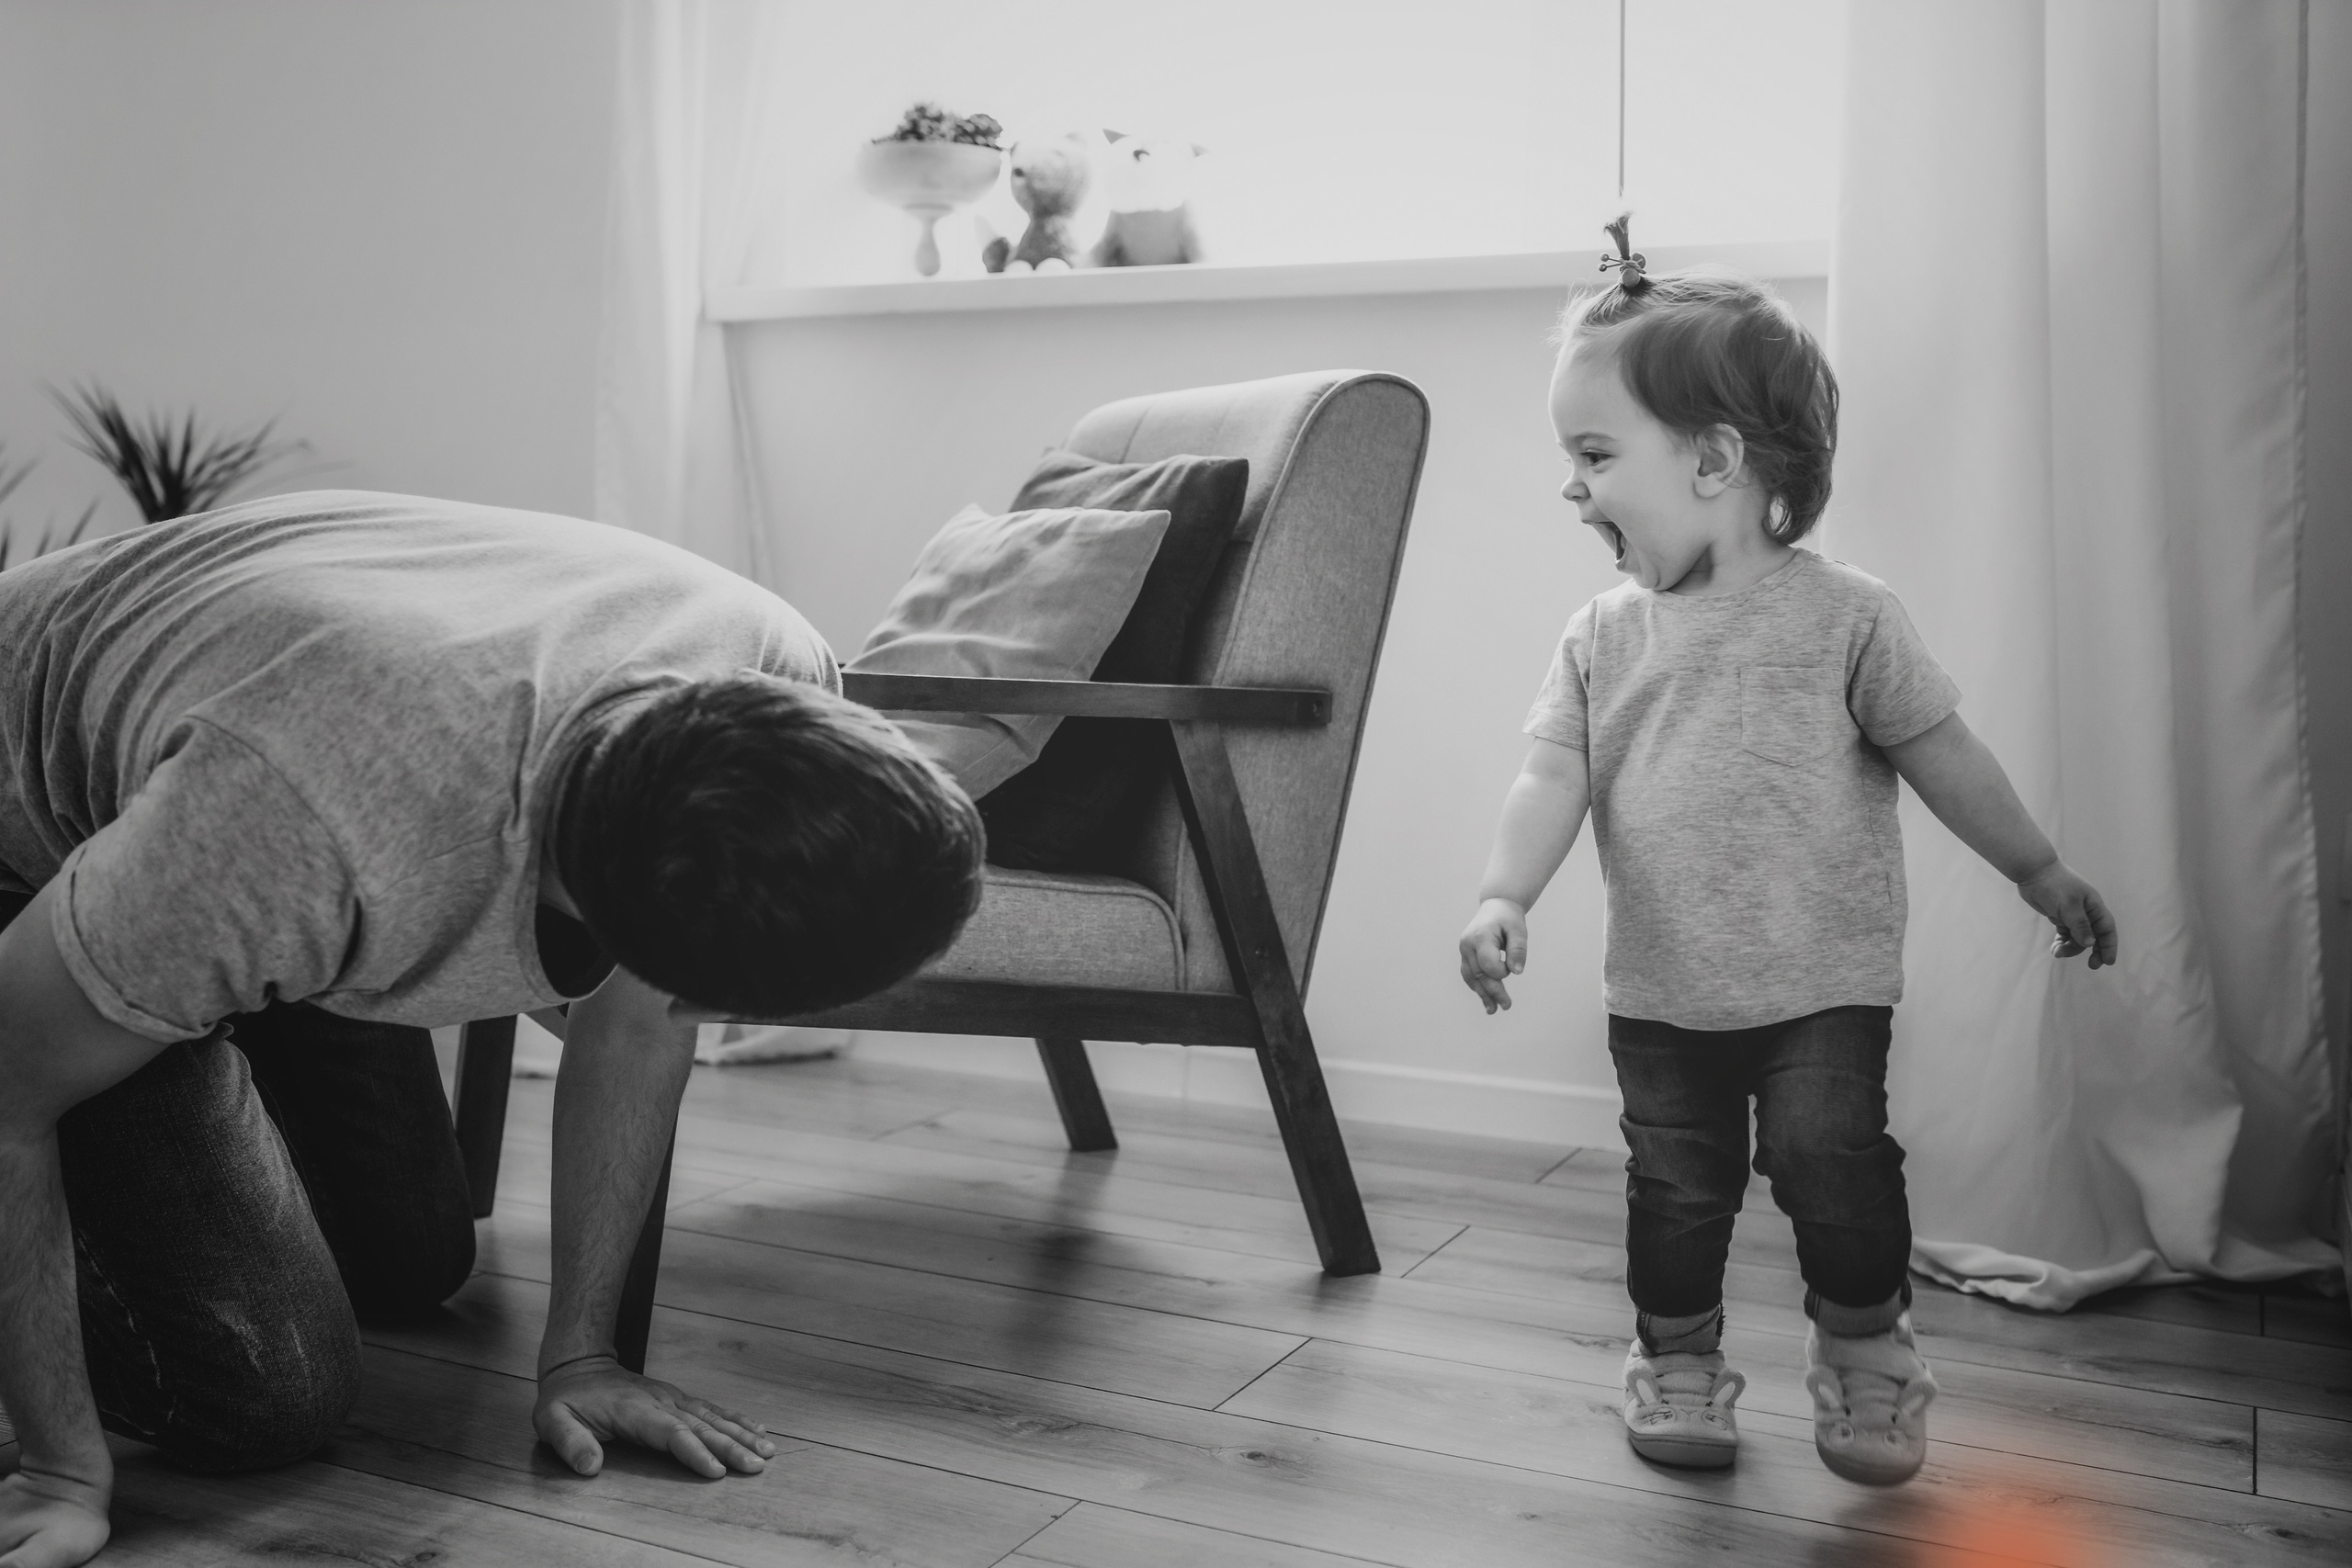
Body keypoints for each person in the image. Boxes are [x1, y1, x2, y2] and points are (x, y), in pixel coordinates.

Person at [0, 491, 984, 1568]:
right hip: (54, 854)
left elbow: (635, 1022)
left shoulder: (766, 669)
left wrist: (584, 1360)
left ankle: (191, 1007)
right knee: (259, 1398)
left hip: (239, 808)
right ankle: (161, 1014)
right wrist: (60, 1472)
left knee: (408, 1267)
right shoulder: (300, 827)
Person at [1455, 225, 2118, 1486]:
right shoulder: (1603, 633)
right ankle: (1678, 1356)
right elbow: (1552, 770)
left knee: (1833, 1162)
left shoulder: (1848, 617)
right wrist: (1503, 891)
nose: (1573, 485)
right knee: (1677, 1188)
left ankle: (1868, 1354)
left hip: (1824, 975)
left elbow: (1944, 751)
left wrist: (2037, 867)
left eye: (1595, 454)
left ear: (1714, 459)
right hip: (1663, 986)